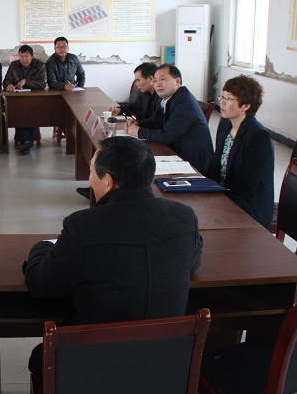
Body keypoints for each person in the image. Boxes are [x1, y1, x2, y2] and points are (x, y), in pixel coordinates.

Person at [23, 137, 203, 374]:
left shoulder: (83, 226)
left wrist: (41, 247)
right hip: (163, 367)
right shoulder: (185, 217)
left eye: (91, 172)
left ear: (108, 181)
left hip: (93, 368)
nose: (90, 179)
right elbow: (194, 261)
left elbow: (41, 284)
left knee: (39, 357)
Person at [77, 62, 161, 199]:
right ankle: (99, 186)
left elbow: (157, 122)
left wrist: (139, 127)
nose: (136, 84)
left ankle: (106, 188)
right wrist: (120, 110)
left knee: (122, 156)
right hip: (143, 134)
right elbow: (134, 106)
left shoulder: (161, 97)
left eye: (138, 80)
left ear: (151, 79)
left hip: (152, 138)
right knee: (116, 152)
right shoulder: (145, 94)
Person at [206, 75, 275, 229]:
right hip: (225, 197)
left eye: (229, 98)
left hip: (248, 207)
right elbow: (215, 166)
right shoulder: (226, 125)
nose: (222, 102)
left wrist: (219, 198)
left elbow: (248, 186)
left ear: (246, 106)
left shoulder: (258, 136)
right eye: (222, 96)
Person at [126, 64, 213, 175]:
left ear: (177, 81)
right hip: (174, 152)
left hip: (191, 162)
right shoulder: (167, 99)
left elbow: (167, 136)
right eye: (155, 81)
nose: (158, 84)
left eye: (162, 79)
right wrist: (138, 123)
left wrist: (138, 131)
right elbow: (154, 121)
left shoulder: (185, 102)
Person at [3, 44, 47, 155]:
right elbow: (7, 80)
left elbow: (42, 83)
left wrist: (25, 81)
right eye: (21, 56)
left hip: (35, 99)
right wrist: (8, 85)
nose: (24, 59)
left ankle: (26, 141)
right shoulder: (14, 65)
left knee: (33, 113)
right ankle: (27, 141)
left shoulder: (40, 65)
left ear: (32, 56)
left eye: (27, 56)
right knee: (17, 113)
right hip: (18, 99)